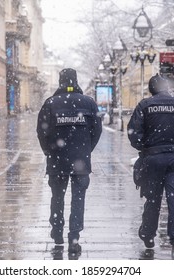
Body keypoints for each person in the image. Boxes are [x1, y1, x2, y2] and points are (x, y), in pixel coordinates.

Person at [127, 74, 174, 259]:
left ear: (151, 88)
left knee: (152, 200)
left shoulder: (145, 105)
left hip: (152, 158)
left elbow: (133, 133)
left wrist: (144, 147)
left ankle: (148, 235)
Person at [37, 68, 102, 255]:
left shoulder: (50, 103)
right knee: (78, 198)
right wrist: (85, 150)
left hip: (57, 160)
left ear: (60, 81)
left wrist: (49, 151)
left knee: (57, 196)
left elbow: (42, 131)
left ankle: (57, 232)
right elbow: (96, 131)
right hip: (80, 161)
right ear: (75, 80)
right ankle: (74, 237)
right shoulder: (89, 103)